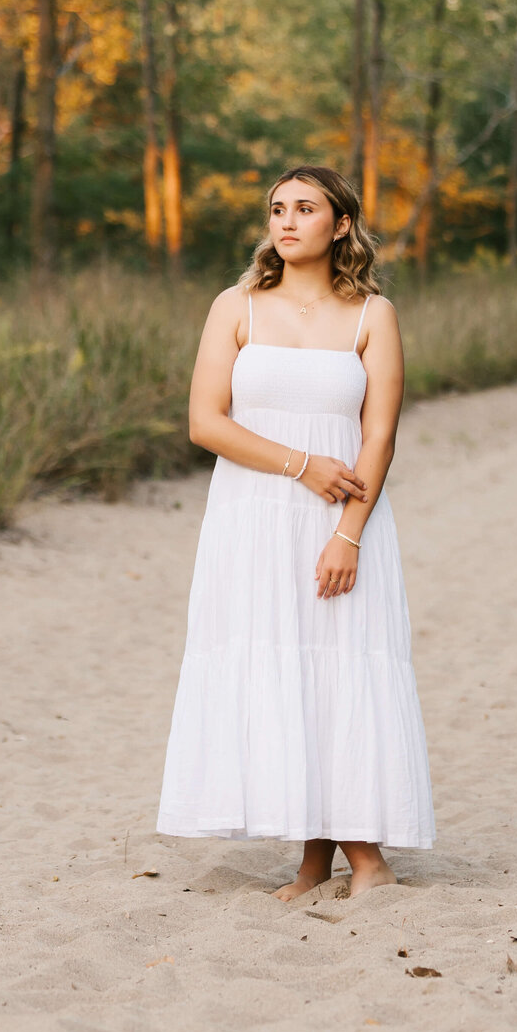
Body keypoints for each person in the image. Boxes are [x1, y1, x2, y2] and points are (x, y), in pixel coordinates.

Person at [155, 163, 433, 896]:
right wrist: (301, 462)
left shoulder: (374, 316)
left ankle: (367, 860)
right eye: (277, 208)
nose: (285, 221)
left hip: (340, 521)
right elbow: (205, 422)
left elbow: (379, 438)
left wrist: (348, 532)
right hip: (252, 518)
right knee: (287, 671)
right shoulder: (237, 306)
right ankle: (315, 862)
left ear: (341, 224)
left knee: (339, 670)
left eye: (305, 208)